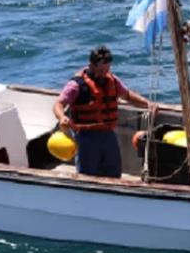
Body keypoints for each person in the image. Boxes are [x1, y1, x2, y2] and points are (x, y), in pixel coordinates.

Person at [53, 45, 152, 177]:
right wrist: (61, 117)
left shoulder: (112, 80)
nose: (103, 74)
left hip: (107, 134)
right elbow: (58, 104)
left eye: (106, 70)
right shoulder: (76, 85)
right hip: (86, 137)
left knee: (114, 172)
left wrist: (148, 104)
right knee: (87, 175)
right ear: (91, 65)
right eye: (100, 71)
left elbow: (127, 95)